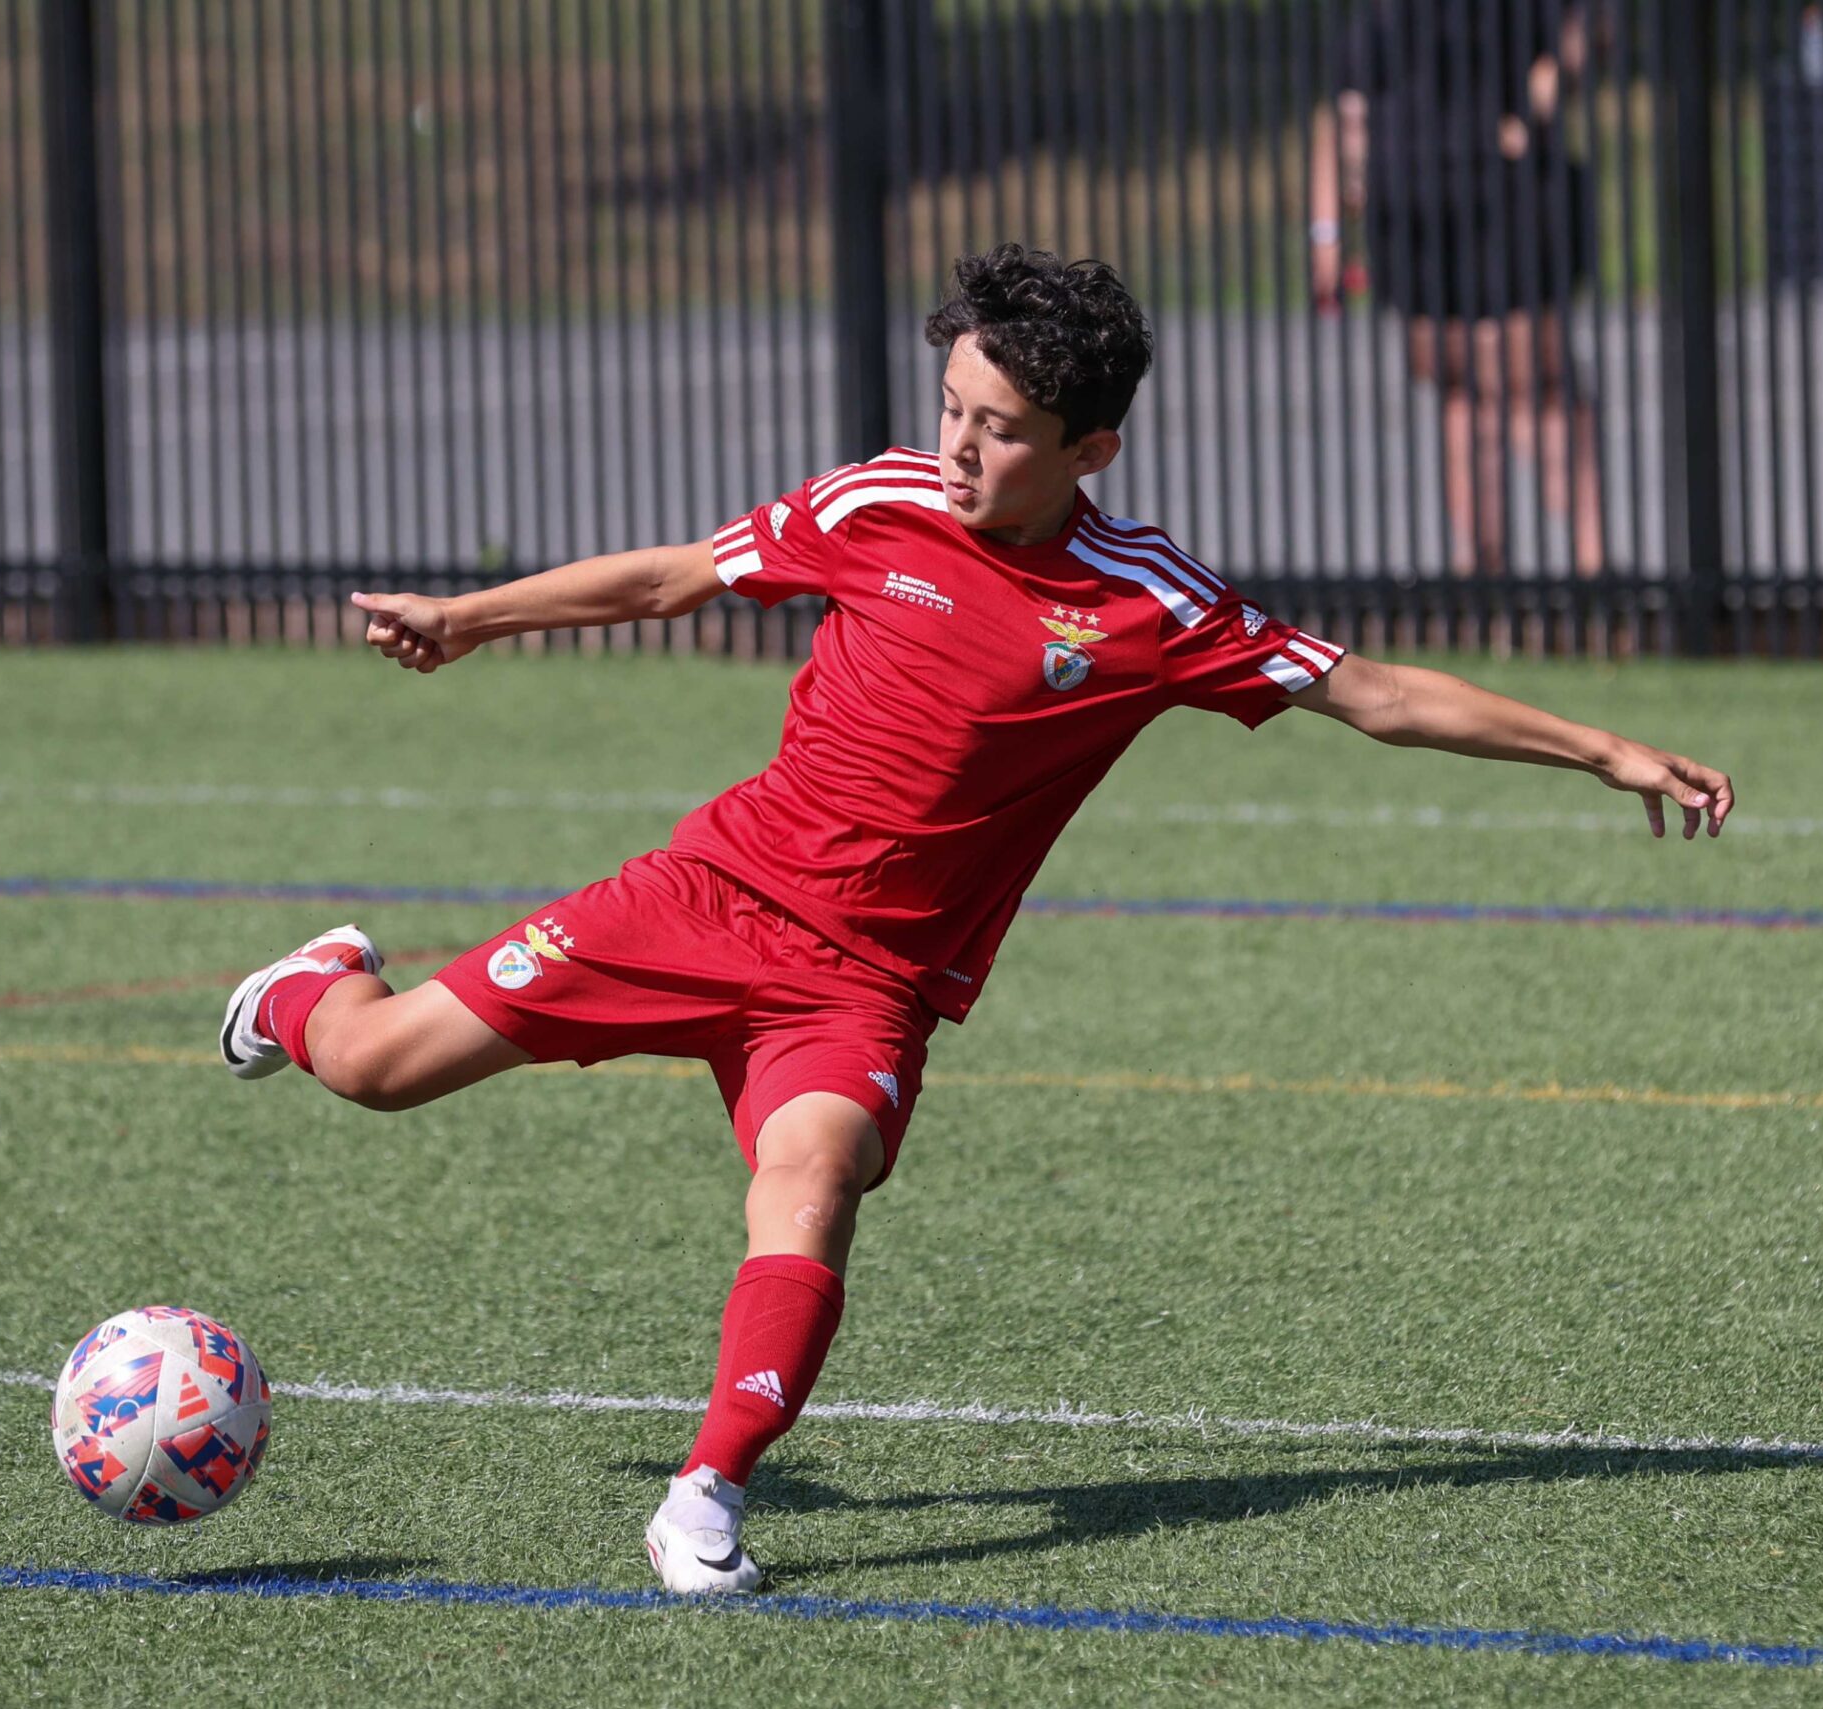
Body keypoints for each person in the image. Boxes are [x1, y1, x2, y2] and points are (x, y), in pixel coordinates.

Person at [217, 245, 1732, 1595]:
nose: (957, 445)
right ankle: (316, 981)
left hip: (863, 982)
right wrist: (468, 618)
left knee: (814, 1179)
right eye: (952, 404)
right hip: (706, 897)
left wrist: (1600, 748)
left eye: (999, 429)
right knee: (372, 1068)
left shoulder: (1147, 602)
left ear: (1092, 449)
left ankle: (706, 1496)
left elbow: (1377, 695)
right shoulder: (877, 501)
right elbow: (678, 575)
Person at [1314, 0, 1607, 576]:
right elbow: (1568, 51)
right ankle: (1582, 562)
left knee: (1473, 393)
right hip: (1487, 198)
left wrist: (1329, 229)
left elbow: (1349, 116)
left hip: (1418, 205)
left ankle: (1483, 569)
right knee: (1536, 387)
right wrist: (1530, 109)